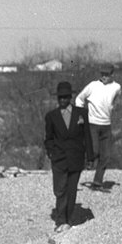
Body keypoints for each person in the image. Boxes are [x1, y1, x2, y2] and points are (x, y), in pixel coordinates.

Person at [45, 80, 92, 232]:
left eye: (65, 97)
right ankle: (60, 219)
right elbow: (48, 138)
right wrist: (51, 153)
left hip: (76, 158)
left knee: (71, 190)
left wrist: (90, 157)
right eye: (60, 98)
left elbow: (87, 136)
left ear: (70, 97)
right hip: (59, 159)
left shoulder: (81, 113)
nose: (63, 100)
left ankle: (67, 219)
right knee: (60, 190)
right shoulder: (51, 116)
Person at [76, 64, 121, 190]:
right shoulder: (93, 85)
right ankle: (76, 172)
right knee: (94, 152)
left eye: (107, 74)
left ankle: (97, 182)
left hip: (106, 125)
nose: (104, 77)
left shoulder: (117, 87)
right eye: (102, 74)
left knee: (105, 156)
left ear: (112, 75)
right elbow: (79, 99)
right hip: (92, 124)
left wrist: (112, 108)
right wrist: (81, 116)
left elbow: (115, 100)